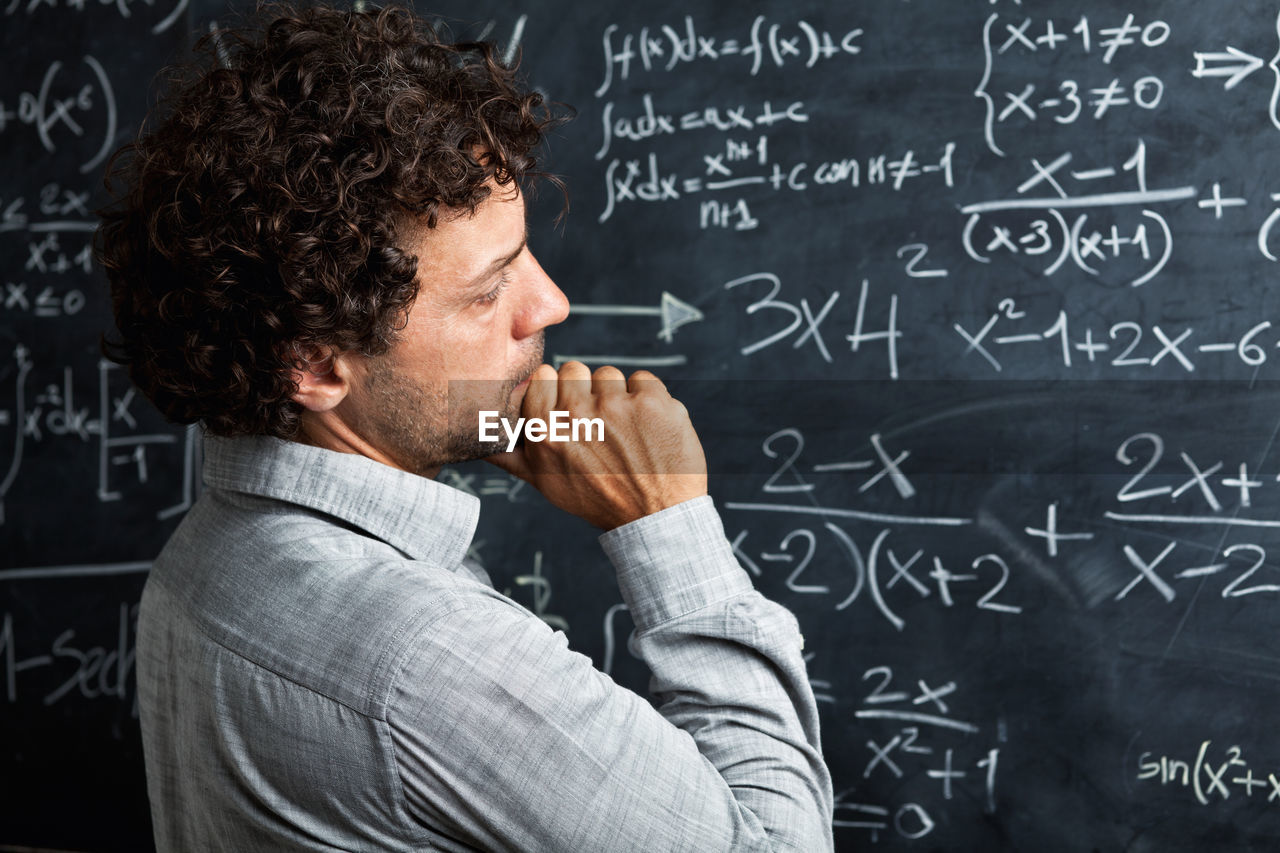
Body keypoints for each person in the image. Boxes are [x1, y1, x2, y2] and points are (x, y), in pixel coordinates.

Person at [95, 3, 834, 850]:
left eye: (524, 257)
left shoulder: (200, 559)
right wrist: (666, 524)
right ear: (317, 364)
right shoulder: (428, 661)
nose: (549, 305)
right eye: (488, 291)